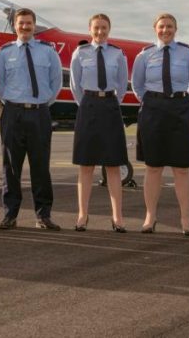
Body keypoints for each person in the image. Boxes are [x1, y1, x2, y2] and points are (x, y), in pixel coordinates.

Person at [131, 12, 189, 236]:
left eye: (169, 26)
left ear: (175, 29)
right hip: (153, 109)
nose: (165, 30)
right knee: (153, 167)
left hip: (180, 109)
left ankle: (185, 219)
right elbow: (137, 86)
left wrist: (180, 103)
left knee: (181, 169)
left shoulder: (188, 54)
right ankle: (150, 217)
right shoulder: (144, 56)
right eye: (161, 26)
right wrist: (154, 102)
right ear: (155, 29)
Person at [0, 8, 63, 231]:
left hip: (40, 112)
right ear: (15, 25)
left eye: (28, 23)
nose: (25, 26)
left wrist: (40, 103)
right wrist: (15, 103)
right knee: (11, 167)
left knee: (40, 166)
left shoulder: (48, 52)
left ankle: (43, 215)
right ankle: (10, 215)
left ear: (34, 26)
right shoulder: (4, 53)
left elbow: (56, 83)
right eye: (21, 23)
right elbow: (0, 85)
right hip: (13, 113)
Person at [69, 13, 129, 233]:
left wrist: (110, 102)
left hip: (110, 106)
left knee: (113, 165)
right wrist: (88, 103)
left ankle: (118, 217)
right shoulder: (80, 53)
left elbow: (122, 85)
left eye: (104, 28)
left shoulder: (117, 54)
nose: (100, 32)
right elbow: (75, 86)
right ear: (90, 29)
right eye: (96, 28)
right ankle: (82, 216)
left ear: (109, 29)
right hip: (88, 106)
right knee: (86, 165)